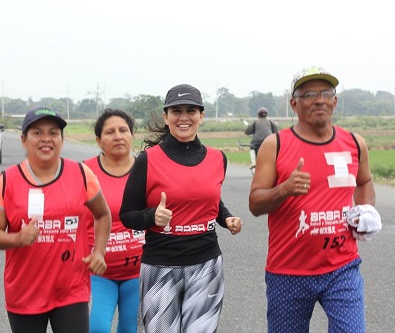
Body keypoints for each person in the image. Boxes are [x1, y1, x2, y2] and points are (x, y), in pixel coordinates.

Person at [248, 66, 382, 333]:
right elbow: (255, 203)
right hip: (288, 271)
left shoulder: (355, 143)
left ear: (335, 100)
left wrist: (366, 210)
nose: (319, 99)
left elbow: (364, 181)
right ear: (294, 103)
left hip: (342, 267)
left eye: (326, 92)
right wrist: (283, 190)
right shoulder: (275, 145)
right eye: (309, 94)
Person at [119, 84, 243, 333]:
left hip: (206, 264)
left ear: (201, 116)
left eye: (191, 110)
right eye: (176, 111)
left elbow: (208, 199)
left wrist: (227, 218)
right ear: (166, 117)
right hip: (160, 267)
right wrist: (151, 216)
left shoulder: (218, 158)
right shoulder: (147, 160)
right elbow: (127, 215)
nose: (184, 117)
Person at [0, 107, 111, 333]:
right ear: (24, 140)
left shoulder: (81, 174)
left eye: (53, 133)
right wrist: (18, 238)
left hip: (71, 289)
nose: (46, 139)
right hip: (25, 292)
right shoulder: (9, 181)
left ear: (62, 139)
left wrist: (99, 251)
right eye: (37, 133)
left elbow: (102, 214)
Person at [83, 109, 144, 333]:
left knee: (129, 329)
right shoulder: (84, 171)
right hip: (98, 273)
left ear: (132, 136)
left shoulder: (147, 170)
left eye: (123, 130)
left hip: (137, 273)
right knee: (97, 328)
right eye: (110, 132)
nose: (118, 136)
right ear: (99, 140)